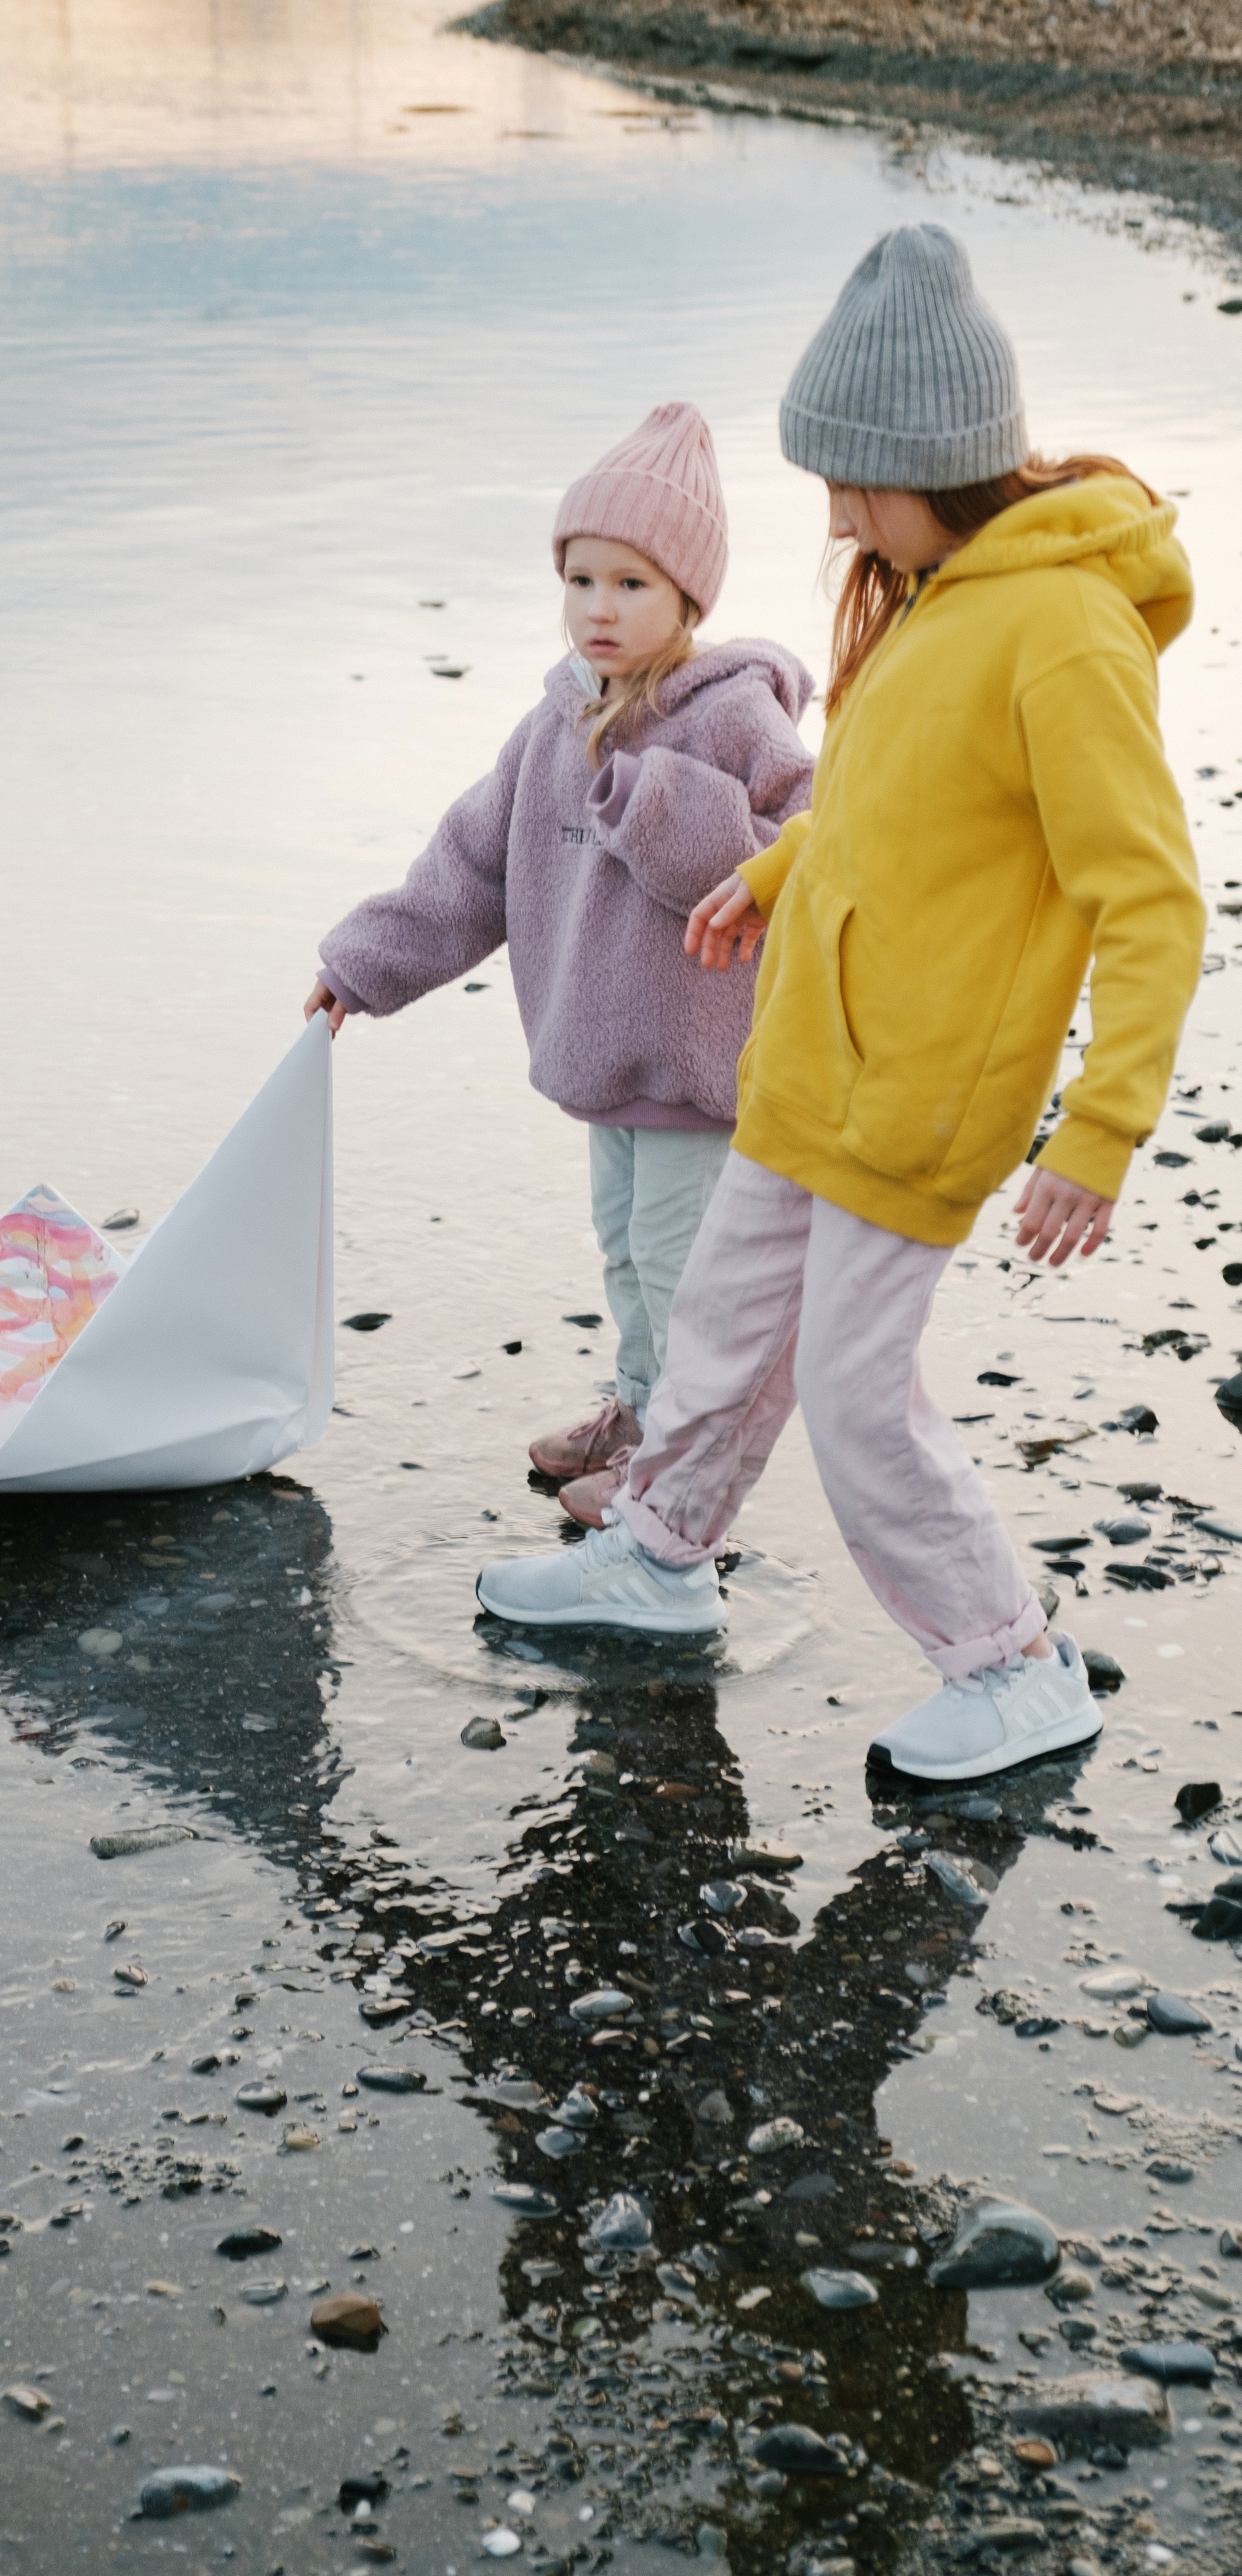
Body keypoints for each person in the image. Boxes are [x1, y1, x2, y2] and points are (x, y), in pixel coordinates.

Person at [476, 224, 1206, 1788]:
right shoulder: (934, 595)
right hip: (812, 1068)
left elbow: (1145, 896)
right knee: (722, 1340)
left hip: (923, 1098)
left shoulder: (1059, 628)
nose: (829, 517)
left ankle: (1007, 1665)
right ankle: (657, 1561)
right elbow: (898, 813)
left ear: (926, 460)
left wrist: (1100, 1133)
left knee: (860, 1406)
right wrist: (783, 866)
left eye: (847, 482)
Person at [306, 403, 813, 1521]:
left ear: (689, 600)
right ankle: (639, 1411)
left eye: (631, 585)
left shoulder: (733, 722)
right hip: (604, 1063)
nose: (599, 608)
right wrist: (363, 966)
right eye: (580, 580)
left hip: (702, 1067)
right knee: (628, 1257)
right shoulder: (553, 728)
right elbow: (472, 863)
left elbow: (808, 858)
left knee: (683, 1273)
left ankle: (681, 1482)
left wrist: (662, 802)